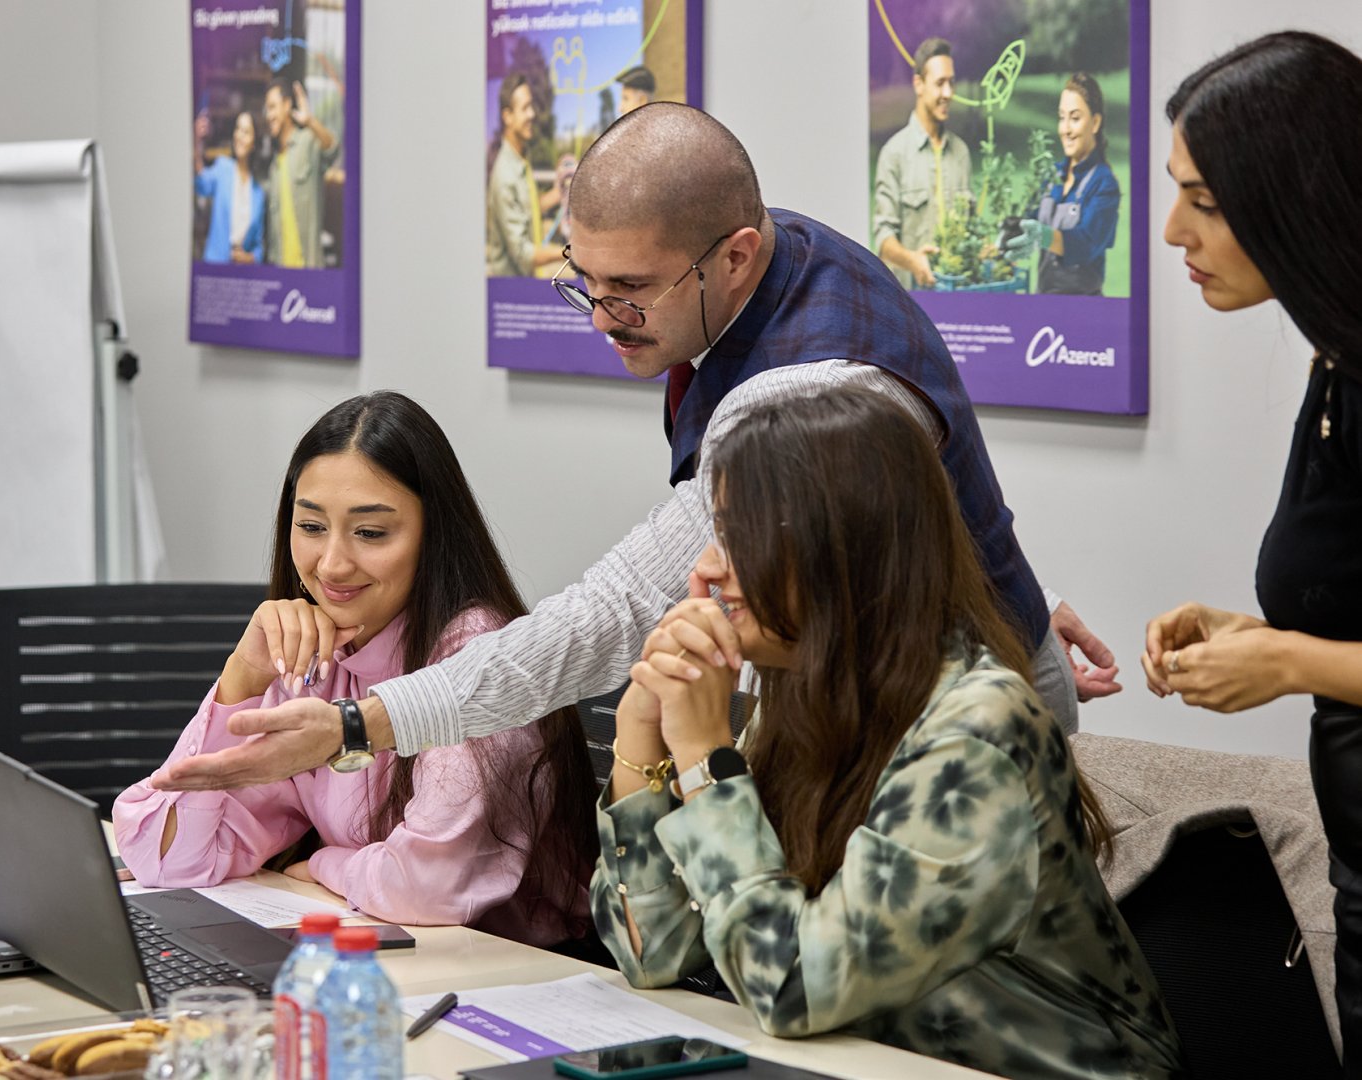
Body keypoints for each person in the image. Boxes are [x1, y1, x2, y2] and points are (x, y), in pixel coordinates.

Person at [152, 103, 1120, 805]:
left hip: (943, 722)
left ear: (736, 254)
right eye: (585, 281)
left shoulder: (796, 398)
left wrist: (362, 723)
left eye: (630, 290)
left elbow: (610, 613)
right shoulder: (785, 257)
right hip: (881, 680)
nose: (602, 319)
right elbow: (935, 467)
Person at [591, 388, 1184, 1078]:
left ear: (842, 548)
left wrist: (702, 758)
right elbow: (650, 952)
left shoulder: (978, 728)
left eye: (739, 534)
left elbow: (790, 986)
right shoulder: (804, 698)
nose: (707, 568)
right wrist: (640, 731)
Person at [114, 392, 596, 947]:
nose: (333, 564)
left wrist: (327, 864)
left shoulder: (475, 661)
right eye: (312, 527)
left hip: (519, 977)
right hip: (391, 959)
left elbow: (425, 888)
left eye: (370, 533)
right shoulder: (312, 656)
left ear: (432, 537)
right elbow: (170, 859)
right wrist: (242, 677)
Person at [1140, 30, 1362, 1074]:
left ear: (1299, 197)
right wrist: (1261, 631)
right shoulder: (1336, 357)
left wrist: (1286, 663)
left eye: (1209, 204)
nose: (1175, 230)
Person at [1006, 73, 1120, 295]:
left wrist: (1044, 236)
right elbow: (1031, 219)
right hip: (1044, 303)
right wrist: (1010, 236)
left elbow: (1087, 244)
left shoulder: (1104, 184)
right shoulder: (1052, 175)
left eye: (1075, 118)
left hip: (1083, 309)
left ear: (1095, 122)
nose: (1065, 129)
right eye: (1061, 117)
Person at [872, 38, 972, 290]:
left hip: (959, 302)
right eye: (940, 83)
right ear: (919, 84)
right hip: (911, 304)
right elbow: (883, 238)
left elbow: (970, 228)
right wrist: (913, 260)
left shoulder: (961, 153)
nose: (948, 93)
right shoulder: (894, 153)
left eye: (951, 82)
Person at [486, 73, 564, 276]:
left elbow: (526, 210)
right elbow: (523, 254)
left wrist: (558, 194)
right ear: (507, 117)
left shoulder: (520, 160)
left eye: (531, 107)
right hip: (511, 293)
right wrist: (569, 252)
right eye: (524, 108)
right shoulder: (505, 176)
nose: (532, 114)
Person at [263, 78, 338, 269]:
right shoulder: (274, 167)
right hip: (282, 270)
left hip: (309, 268)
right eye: (267, 109)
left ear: (287, 105)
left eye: (273, 107)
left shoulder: (307, 142)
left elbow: (332, 148)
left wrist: (310, 120)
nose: (268, 115)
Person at [193, 109, 264, 264]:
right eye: (237, 129)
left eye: (246, 132)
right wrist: (196, 141)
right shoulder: (222, 168)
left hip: (241, 274)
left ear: (254, 143)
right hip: (214, 264)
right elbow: (201, 184)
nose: (239, 135)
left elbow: (259, 246)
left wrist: (249, 258)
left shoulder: (258, 193)